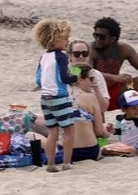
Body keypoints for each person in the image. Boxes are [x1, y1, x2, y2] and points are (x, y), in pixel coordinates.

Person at [32, 19, 76, 172]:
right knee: (69, 130)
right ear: (55, 39)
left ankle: (51, 164)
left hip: (45, 98)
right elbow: (64, 78)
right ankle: (66, 162)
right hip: (60, 97)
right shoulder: (62, 57)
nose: (68, 41)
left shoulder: (43, 57)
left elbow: (38, 79)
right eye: (65, 38)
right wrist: (74, 78)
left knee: (53, 132)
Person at [90, 17, 138, 111]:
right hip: (96, 93)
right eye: (95, 35)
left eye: (102, 37)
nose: (97, 39)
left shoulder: (123, 49)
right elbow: (88, 71)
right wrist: (114, 77)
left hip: (116, 91)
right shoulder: (90, 50)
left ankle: (135, 117)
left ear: (113, 39)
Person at [69, 64, 110, 162]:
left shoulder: (63, 98)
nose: (93, 83)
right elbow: (99, 132)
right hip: (90, 151)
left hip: (69, 152)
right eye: (91, 79)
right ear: (80, 79)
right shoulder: (90, 98)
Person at [102, 89, 138, 156]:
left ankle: (128, 154)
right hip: (123, 146)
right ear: (124, 109)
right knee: (104, 149)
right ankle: (123, 153)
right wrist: (115, 130)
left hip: (134, 148)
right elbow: (125, 130)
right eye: (134, 108)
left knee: (106, 151)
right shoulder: (123, 119)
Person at [68, 39, 109, 113]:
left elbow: (103, 108)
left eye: (85, 53)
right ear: (70, 56)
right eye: (77, 53)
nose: (81, 56)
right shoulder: (63, 75)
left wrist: (96, 90)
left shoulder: (96, 75)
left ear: (89, 55)